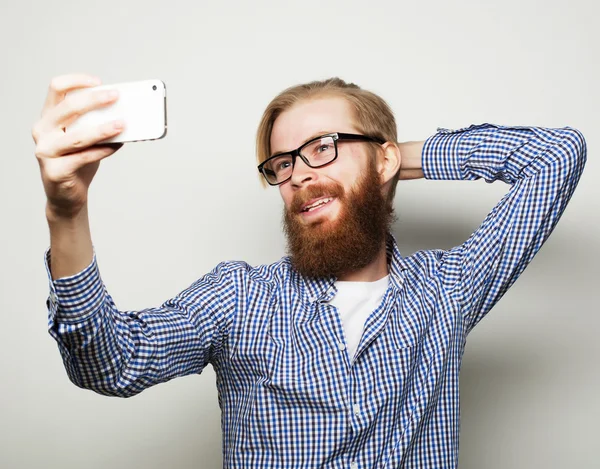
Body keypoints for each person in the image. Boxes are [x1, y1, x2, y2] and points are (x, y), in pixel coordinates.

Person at [33, 74, 587, 468]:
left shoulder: (449, 289)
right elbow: (109, 364)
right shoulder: (239, 298)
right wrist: (67, 210)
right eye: (283, 163)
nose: (298, 174)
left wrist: (383, 161)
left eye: (322, 147)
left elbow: (557, 157)